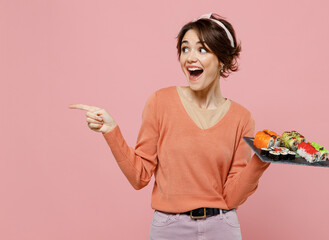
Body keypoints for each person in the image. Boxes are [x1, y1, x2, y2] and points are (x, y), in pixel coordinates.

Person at [69, 13, 270, 240]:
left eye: (202, 50)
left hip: (222, 228)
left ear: (221, 59)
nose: (190, 58)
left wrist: (262, 159)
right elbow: (139, 177)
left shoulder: (242, 118)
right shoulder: (160, 102)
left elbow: (232, 197)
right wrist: (111, 131)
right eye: (185, 49)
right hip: (169, 229)